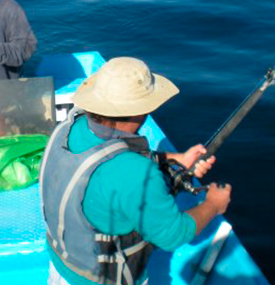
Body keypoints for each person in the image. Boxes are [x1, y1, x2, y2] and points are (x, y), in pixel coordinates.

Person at [39, 57, 232, 285]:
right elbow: (174, 234)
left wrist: (177, 159)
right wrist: (213, 204)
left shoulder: (66, 128)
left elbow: (106, 158)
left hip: (61, 265)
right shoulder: (137, 173)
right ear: (142, 110)